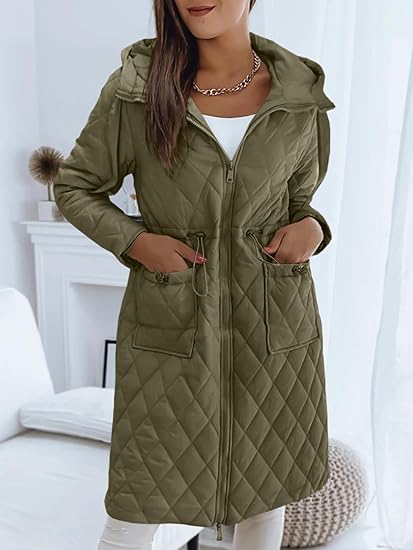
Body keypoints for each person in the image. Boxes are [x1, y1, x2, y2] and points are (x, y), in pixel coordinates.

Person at [54, 0, 336, 549]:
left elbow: (299, 201)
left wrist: (313, 229)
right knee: (137, 503)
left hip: (273, 327)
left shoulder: (300, 95)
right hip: (172, 328)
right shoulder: (137, 88)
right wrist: (138, 242)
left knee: (263, 497)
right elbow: (75, 186)